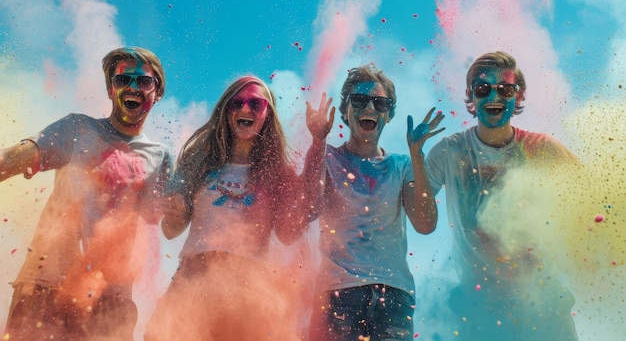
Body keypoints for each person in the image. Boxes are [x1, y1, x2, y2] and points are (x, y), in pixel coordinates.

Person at [143, 75, 334, 341]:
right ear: (226, 110)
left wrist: (318, 144)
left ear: (268, 114)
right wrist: (173, 210)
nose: (245, 109)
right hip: (192, 281)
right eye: (237, 103)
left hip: (247, 289)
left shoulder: (278, 173)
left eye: (255, 104)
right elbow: (171, 230)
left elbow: (290, 231)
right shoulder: (198, 160)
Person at [0, 47, 172, 341]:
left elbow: (160, 224)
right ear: (109, 89)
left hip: (112, 302)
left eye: (144, 81)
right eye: (123, 80)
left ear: (157, 92)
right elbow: (15, 157)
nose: (133, 87)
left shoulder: (160, 157)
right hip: (46, 285)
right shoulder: (77, 128)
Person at [424, 51, 579, 340]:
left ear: (519, 96)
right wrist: (413, 154)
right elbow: (420, 219)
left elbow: (595, 200)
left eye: (505, 89)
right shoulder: (449, 152)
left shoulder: (542, 149)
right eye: (483, 89)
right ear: (471, 96)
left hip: (545, 307)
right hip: (479, 312)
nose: (494, 96)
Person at [306, 64, 445, 341]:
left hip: (393, 297)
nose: (369, 107)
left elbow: (425, 224)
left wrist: (417, 154)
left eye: (380, 103)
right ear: (345, 110)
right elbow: (308, 207)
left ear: (388, 115)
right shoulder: (327, 157)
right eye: (359, 100)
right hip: (337, 293)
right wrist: (317, 141)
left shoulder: (402, 164)